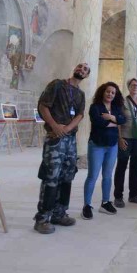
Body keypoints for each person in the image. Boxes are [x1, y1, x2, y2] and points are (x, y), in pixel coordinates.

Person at [33, 63, 89, 234]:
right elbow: (43, 106)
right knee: (51, 175)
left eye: (85, 69)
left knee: (67, 175)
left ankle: (59, 213)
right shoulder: (57, 84)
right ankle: (43, 218)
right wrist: (55, 126)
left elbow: (80, 114)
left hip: (70, 139)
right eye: (80, 67)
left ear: (86, 75)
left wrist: (67, 128)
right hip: (55, 138)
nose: (81, 69)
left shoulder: (80, 94)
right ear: (75, 69)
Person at [82, 82, 126, 219]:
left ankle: (105, 202)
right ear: (103, 92)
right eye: (108, 91)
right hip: (97, 145)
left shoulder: (116, 107)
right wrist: (115, 121)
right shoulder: (95, 107)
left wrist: (111, 118)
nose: (110, 94)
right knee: (92, 176)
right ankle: (87, 205)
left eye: (113, 93)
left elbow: (123, 120)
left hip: (112, 145)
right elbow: (98, 123)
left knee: (107, 175)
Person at [114, 78, 137, 207]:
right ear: (128, 87)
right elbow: (118, 120)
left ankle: (134, 194)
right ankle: (118, 196)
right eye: (132, 85)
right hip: (126, 137)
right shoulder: (122, 101)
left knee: (136, 165)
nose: (135, 87)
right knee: (122, 165)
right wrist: (119, 138)